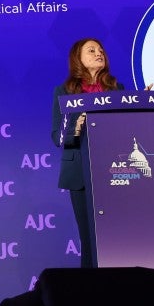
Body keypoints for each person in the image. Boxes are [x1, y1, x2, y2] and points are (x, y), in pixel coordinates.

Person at [49, 38, 122, 269]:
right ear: (77, 58)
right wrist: (75, 126)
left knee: (117, 240)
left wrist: (142, 108)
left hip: (116, 173)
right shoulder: (64, 91)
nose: (99, 53)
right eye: (91, 50)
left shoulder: (117, 89)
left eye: (101, 49)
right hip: (81, 175)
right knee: (91, 241)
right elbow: (57, 137)